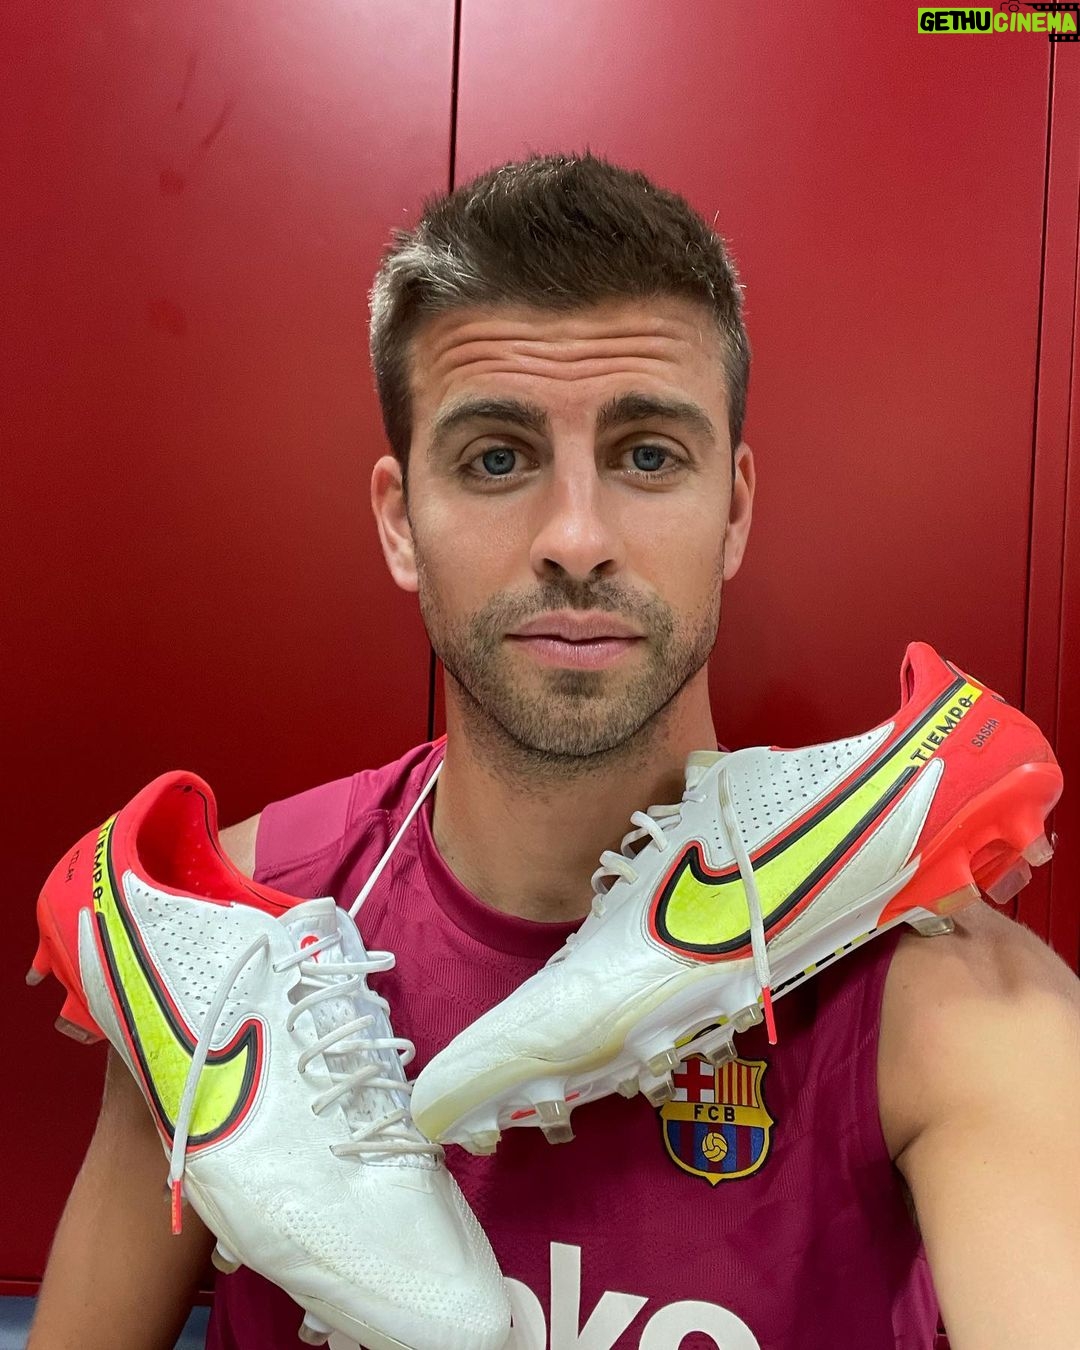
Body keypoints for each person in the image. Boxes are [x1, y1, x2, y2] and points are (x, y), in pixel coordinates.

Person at [29, 152, 1080, 1350]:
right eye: (496, 458)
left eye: (647, 456)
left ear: (734, 512)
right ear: (400, 522)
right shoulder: (211, 949)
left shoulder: (951, 1005)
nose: (576, 538)